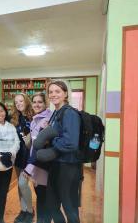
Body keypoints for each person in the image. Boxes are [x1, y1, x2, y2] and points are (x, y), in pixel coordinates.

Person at [46, 81, 81, 223]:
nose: (53, 94)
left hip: (69, 166)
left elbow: (70, 143)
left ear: (65, 94)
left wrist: (52, 140)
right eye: (51, 92)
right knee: (52, 205)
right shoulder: (56, 113)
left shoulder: (70, 113)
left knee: (69, 207)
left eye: (57, 91)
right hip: (56, 165)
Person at [23, 93, 52, 223]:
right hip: (36, 165)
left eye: (40, 102)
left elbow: (39, 147)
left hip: (42, 166)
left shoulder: (47, 119)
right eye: (34, 102)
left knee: (44, 199)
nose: (36, 104)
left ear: (45, 103)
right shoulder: (35, 120)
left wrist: (29, 169)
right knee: (40, 197)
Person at [10, 93, 34, 223]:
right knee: (21, 186)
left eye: (21, 101)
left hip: (30, 156)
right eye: (16, 102)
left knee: (22, 183)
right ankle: (23, 210)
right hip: (18, 156)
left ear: (26, 101)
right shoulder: (14, 118)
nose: (19, 103)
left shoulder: (34, 116)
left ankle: (30, 211)